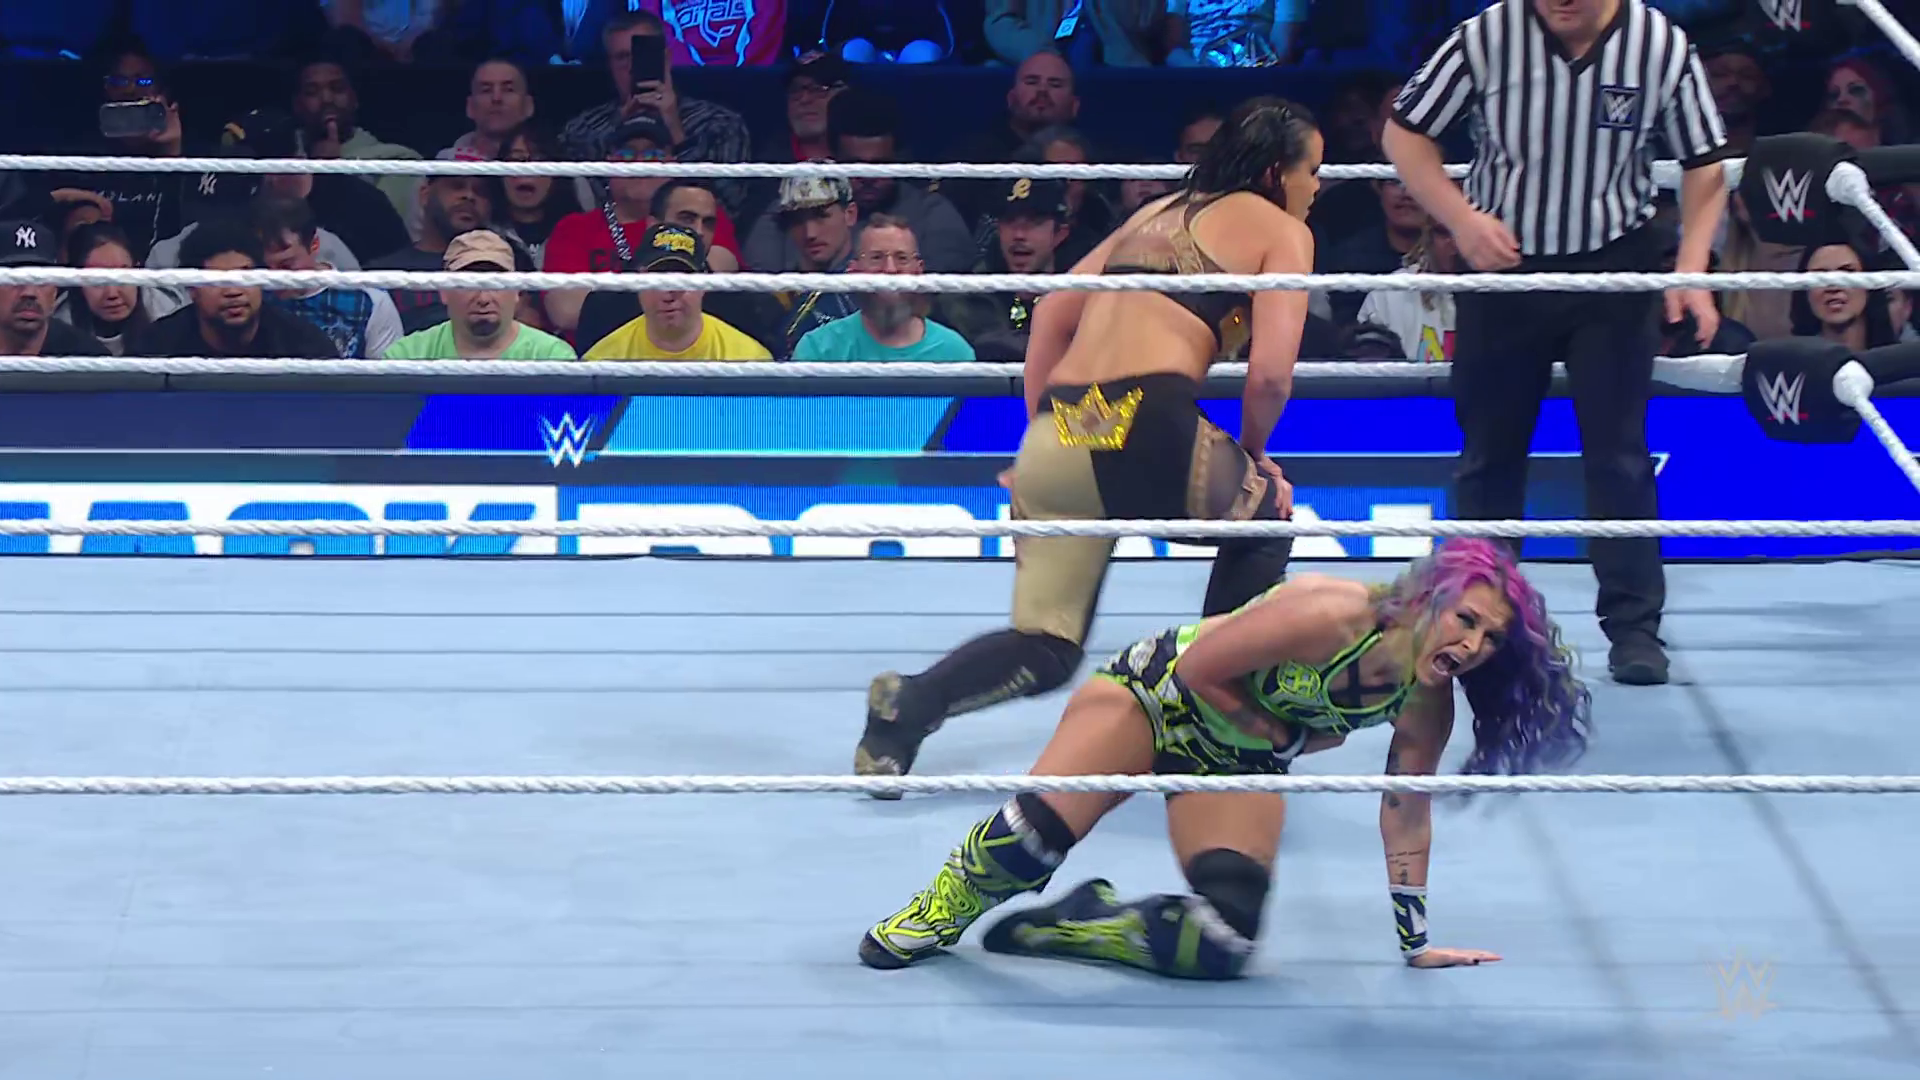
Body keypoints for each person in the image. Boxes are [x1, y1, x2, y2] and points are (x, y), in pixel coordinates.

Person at [852, 96, 1319, 792]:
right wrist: (1255, 457)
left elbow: (1049, 311)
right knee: (1264, 523)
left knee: (1046, 646)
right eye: (1314, 170)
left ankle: (910, 706)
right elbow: (1272, 376)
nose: (1319, 186)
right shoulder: (1282, 230)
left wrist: (1033, 438)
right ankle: (1216, 726)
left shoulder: (1149, 217)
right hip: (1146, 417)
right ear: (1279, 173)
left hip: (1061, 427)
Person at [859, 538, 1593, 975]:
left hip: (1234, 758)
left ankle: (1079, 924)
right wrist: (1286, 739)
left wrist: (1417, 943)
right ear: (1431, 598)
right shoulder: (1333, 612)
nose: (1472, 645)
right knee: (1029, 840)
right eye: (1466, 619)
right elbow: (1199, 669)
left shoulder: (1427, 703)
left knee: (1224, 938)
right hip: (1155, 699)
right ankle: (939, 911)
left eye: (1491, 638)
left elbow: (1404, 814)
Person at [1384, 0, 1730, 687]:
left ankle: (1634, 628)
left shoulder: (1658, 43)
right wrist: (1461, 220)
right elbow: (1404, 133)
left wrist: (1691, 269)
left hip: (1615, 267)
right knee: (1489, 456)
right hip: (1504, 267)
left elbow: (1706, 162)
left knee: (1620, 457)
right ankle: (1477, 628)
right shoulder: (1488, 35)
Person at [380, 231, 576, 361]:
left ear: (517, 291)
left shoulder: (552, 357)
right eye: (470, 284)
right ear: (444, 291)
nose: (483, 299)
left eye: (495, 284)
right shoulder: (407, 356)